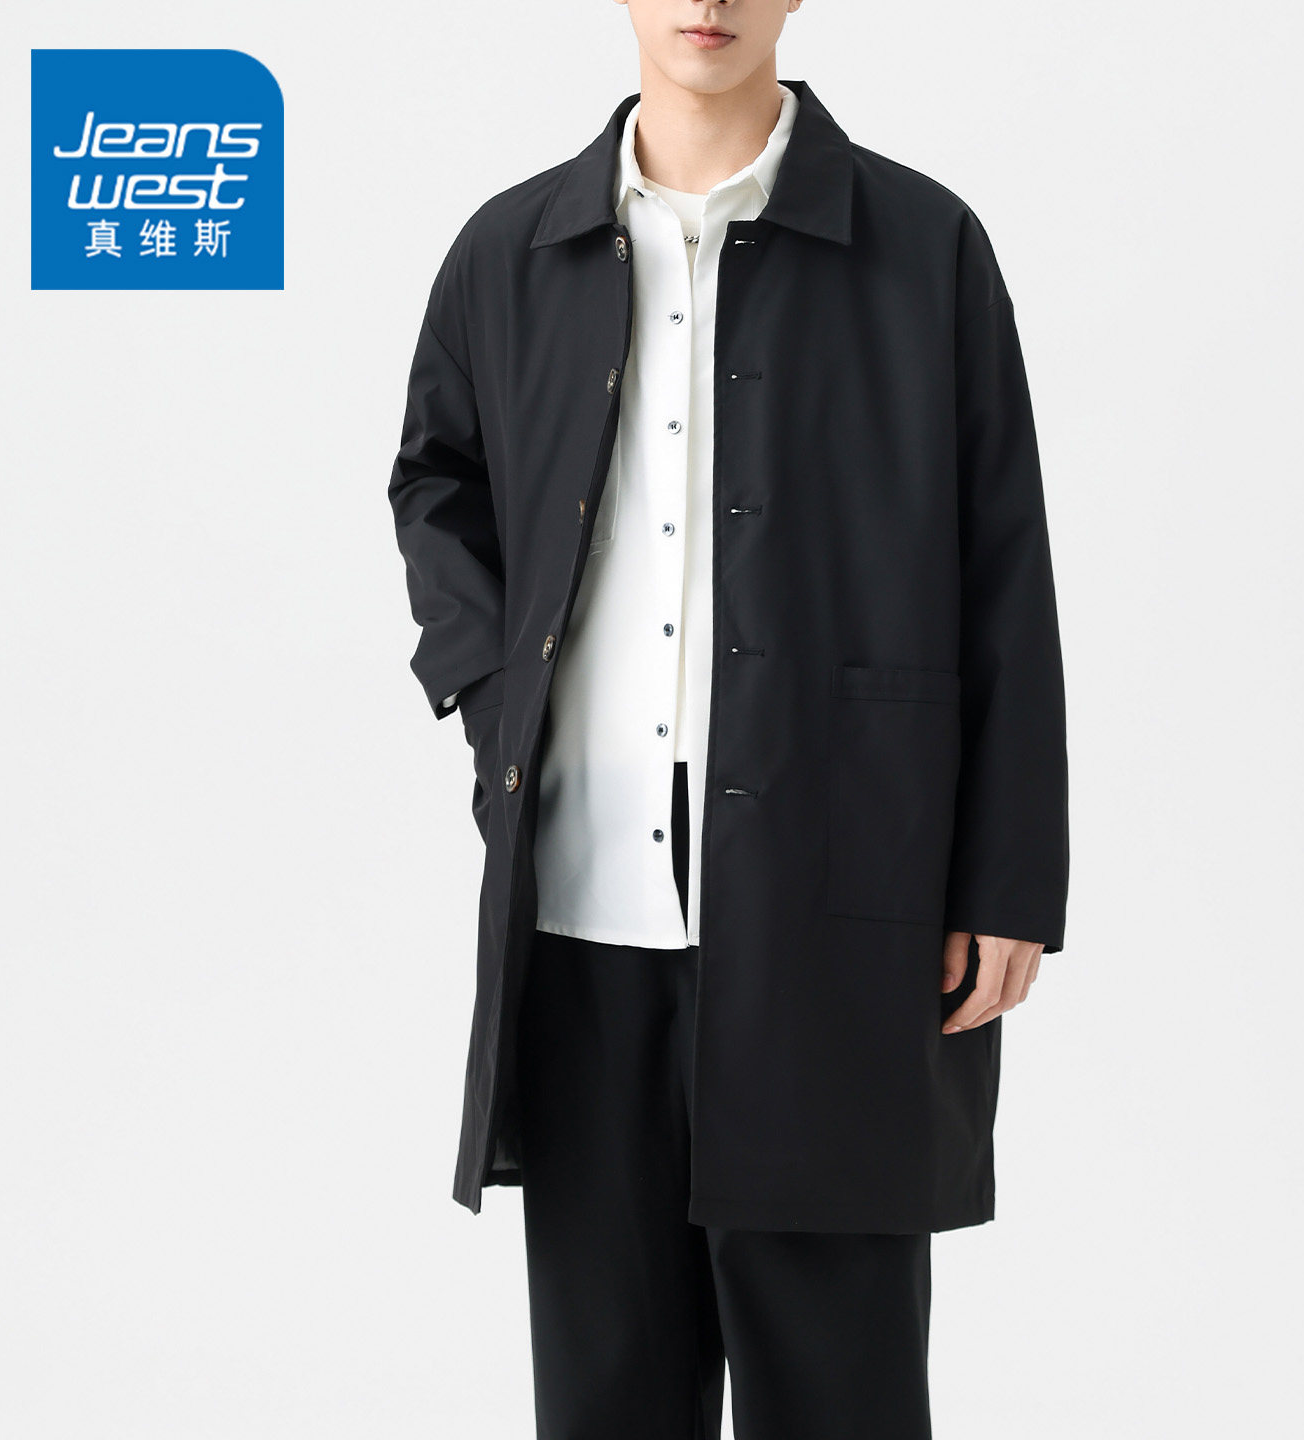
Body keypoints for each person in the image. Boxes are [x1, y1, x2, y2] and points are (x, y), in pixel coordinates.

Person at [386, 2, 1069, 1435]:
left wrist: (1008, 878)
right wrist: (497, 693)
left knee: (842, 1394)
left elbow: (1002, 561)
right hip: (585, 909)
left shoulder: (922, 246)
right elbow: (437, 482)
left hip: (841, 900)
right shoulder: (511, 251)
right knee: (607, 1398)